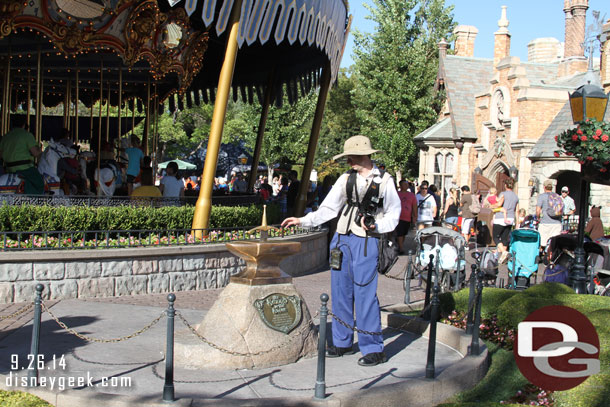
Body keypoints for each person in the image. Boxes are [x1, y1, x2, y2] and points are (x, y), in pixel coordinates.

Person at [281, 135, 400, 367]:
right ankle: (342, 341)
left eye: (352, 157)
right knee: (340, 290)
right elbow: (329, 208)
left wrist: (377, 226)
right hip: (341, 238)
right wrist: (303, 220)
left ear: (365, 155)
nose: (349, 161)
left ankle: (373, 348)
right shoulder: (345, 179)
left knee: (365, 293)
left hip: (366, 241)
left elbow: (394, 213)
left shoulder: (385, 180)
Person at [0, 115, 44, 195]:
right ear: (24, 125)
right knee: (40, 183)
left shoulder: (5, 137)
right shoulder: (26, 135)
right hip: (24, 168)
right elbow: (35, 153)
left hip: (8, 169)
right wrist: (40, 151)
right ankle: (37, 203)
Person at [491, 178, 519, 263]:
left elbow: (499, 204)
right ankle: (503, 258)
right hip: (510, 218)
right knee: (504, 237)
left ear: (505, 185)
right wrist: (517, 222)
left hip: (501, 218)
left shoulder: (503, 194)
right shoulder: (516, 196)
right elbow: (516, 210)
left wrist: (492, 206)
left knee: (495, 236)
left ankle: (504, 252)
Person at [536, 179, 562, 248]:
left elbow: (538, 210)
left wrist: (538, 218)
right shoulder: (557, 196)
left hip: (545, 223)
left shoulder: (542, 196)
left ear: (544, 187)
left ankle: (543, 257)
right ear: (552, 187)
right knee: (553, 245)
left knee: (542, 244)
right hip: (557, 223)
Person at [396, 179, 417, 253]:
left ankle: (400, 245)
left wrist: (415, 216)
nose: (406, 186)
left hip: (407, 217)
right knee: (400, 233)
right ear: (401, 186)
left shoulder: (411, 195)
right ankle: (400, 248)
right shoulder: (396, 194)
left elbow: (414, 206)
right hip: (398, 216)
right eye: (404, 184)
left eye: (407, 184)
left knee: (404, 233)